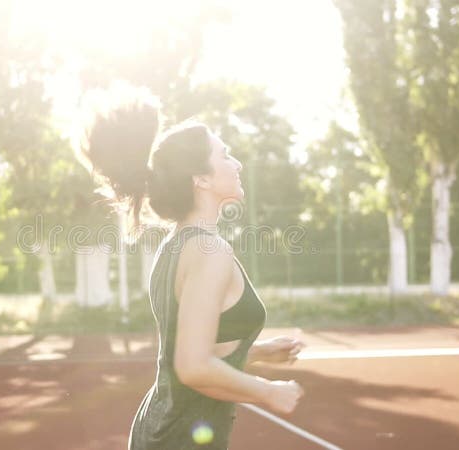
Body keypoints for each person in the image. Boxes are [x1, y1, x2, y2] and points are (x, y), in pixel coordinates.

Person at [75, 85, 304, 450]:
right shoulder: (210, 251)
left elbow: (194, 350)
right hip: (180, 439)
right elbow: (193, 367)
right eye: (225, 155)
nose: (237, 163)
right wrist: (268, 393)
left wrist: (256, 350)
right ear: (201, 179)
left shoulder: (176, 245)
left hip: (162, 430)